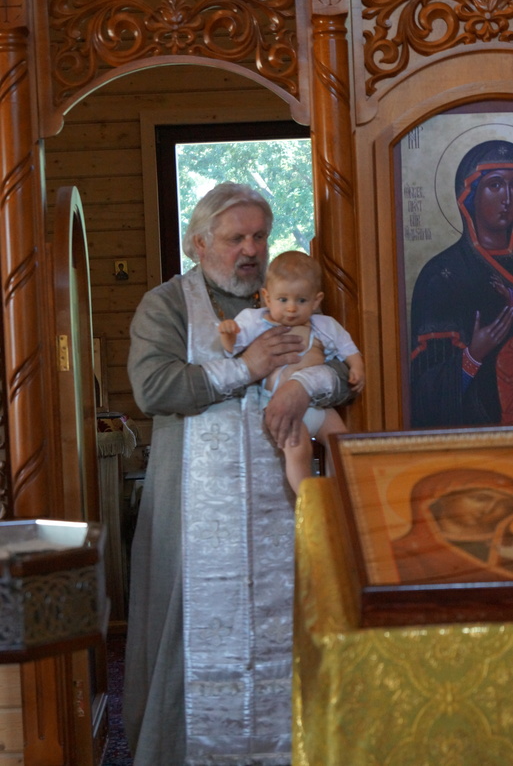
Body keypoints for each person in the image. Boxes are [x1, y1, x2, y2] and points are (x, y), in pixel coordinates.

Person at [122, 182, 357, 766]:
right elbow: (153, 388)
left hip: (284, 505)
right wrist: (246, 368)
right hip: (195, 513)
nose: (251, 250)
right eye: (236, 238)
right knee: (191, 637)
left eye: (259, 236)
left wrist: (303, 386)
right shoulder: (167, 304)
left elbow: (343, 373)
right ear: (199, 243)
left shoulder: (288, 295)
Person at [218, 250, 365, 493]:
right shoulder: (256, 322)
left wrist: (357, 366)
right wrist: (228, 335)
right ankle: (307, 498)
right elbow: (233, 350)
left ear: (316, 301)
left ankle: (337, 493)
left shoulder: (324, 325)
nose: (291, 308)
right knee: (299, 449)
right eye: (283, 299)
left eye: (301, 301)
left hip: (318, 406)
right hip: (280, 409)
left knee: (342, 443)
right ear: (267, 297)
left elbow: (346, 347)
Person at [410, 139, 513, 427]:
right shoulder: (442, 276)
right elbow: (423, 391)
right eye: (495, 185)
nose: (507, 197)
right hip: (477, 437)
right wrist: (473, 355)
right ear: (469, 195)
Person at [392, 468, 513, 583]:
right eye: (480, 498)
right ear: (443, 498)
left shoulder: (507, 548)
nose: (489, 509)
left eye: (504, 505)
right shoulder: (403, 553)